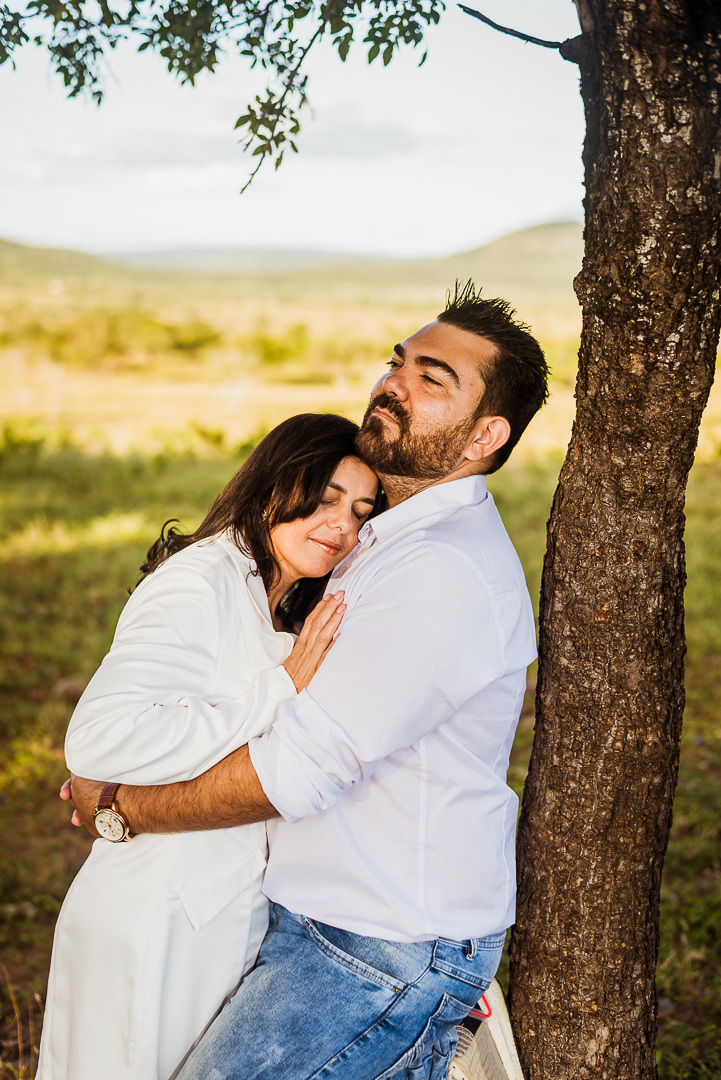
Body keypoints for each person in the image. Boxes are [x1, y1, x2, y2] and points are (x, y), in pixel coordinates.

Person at [68, 280, 550, 1080]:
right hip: (315, 918)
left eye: (433, 379)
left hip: (382, 946)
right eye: (398, 363)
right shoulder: (383, 536)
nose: (393, 382)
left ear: (484, 435)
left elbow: (301, 769)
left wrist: (121, 808)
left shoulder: (441, 570)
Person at [37, 413, 380, 1080]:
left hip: (218, 911)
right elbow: (102, 738)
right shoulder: (200, 581)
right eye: (328, 497)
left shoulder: (280, 597)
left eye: (361, 511)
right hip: (158, 914)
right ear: (279, 483)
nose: (342, 526)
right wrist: (278, 686)